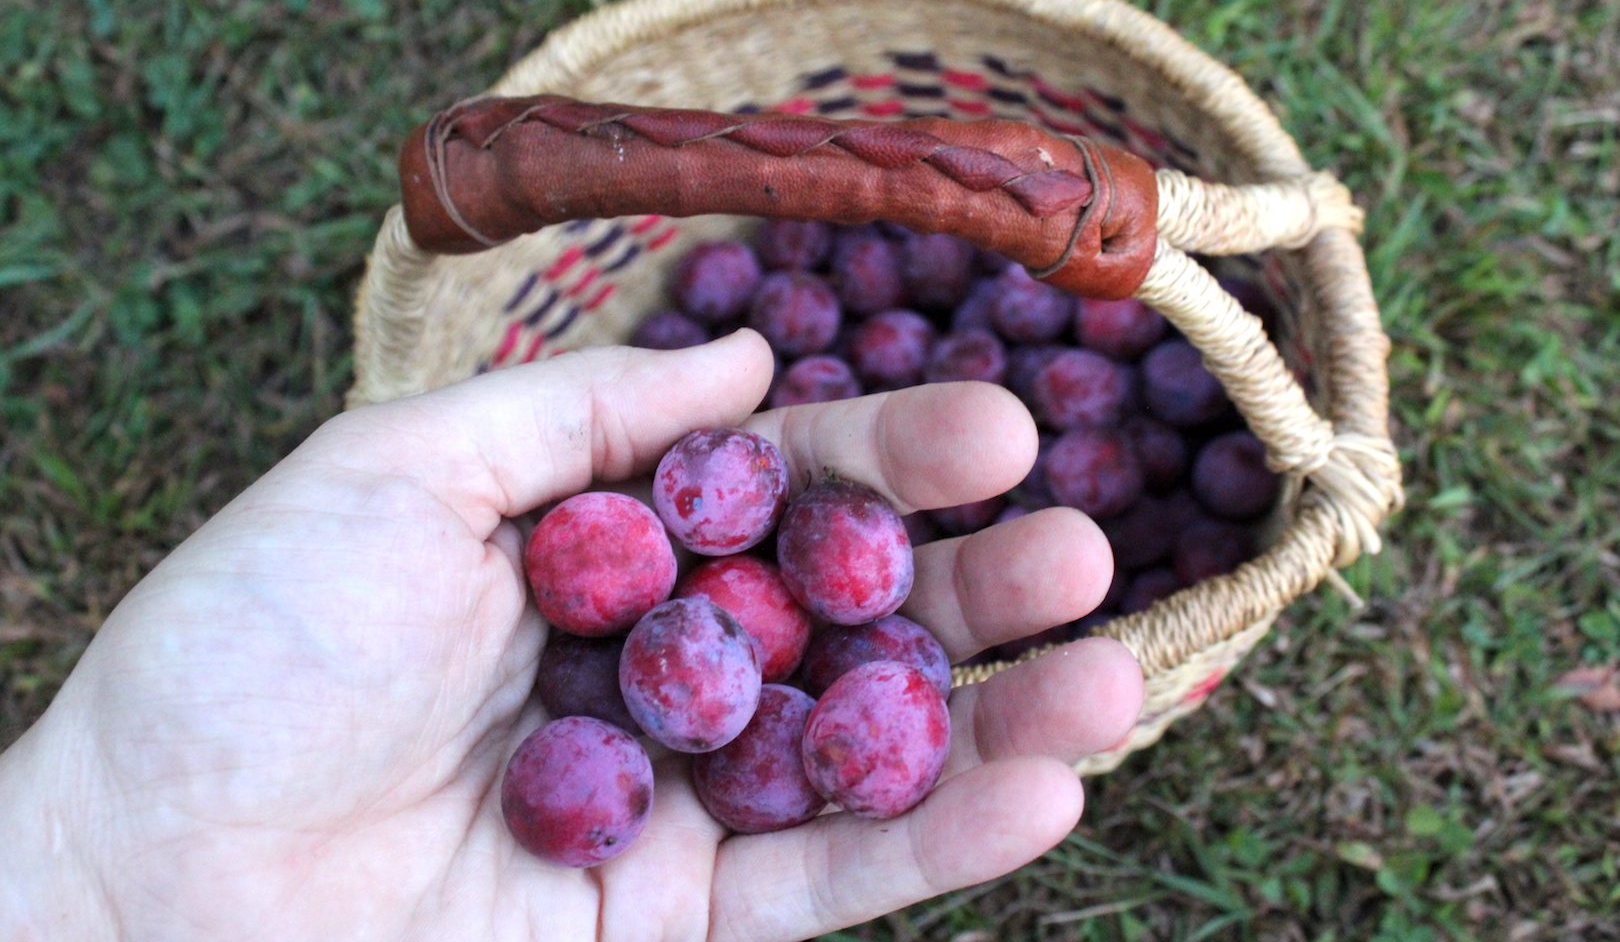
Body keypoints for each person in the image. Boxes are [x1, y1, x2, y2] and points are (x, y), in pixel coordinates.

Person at [0, 330, 1142, 940]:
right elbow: (712, 675)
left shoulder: (737, 627)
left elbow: (751, 689)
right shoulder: (666, 600)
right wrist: (83, 862)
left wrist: (80, 871)